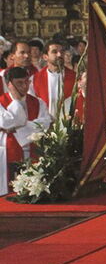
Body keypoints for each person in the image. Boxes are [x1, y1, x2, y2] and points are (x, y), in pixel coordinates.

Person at [0, 67, 51, 195]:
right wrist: (16, 102)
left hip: (34, 152)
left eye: (27, 82)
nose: (24, 86)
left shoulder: (38, 102)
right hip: (9, 153)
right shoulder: (1, 102)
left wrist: (17, 128)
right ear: (9, 84)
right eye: (19, 83)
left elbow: (45, 124)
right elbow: (5, 123)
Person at [29, 38, 76, 118]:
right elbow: (31, 104)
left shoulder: (75, 77)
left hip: (68, 124)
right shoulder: (34, 79)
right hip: (44, 124)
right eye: (54, 52)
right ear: (45, 57)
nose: (59, 55)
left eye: (62, 52)